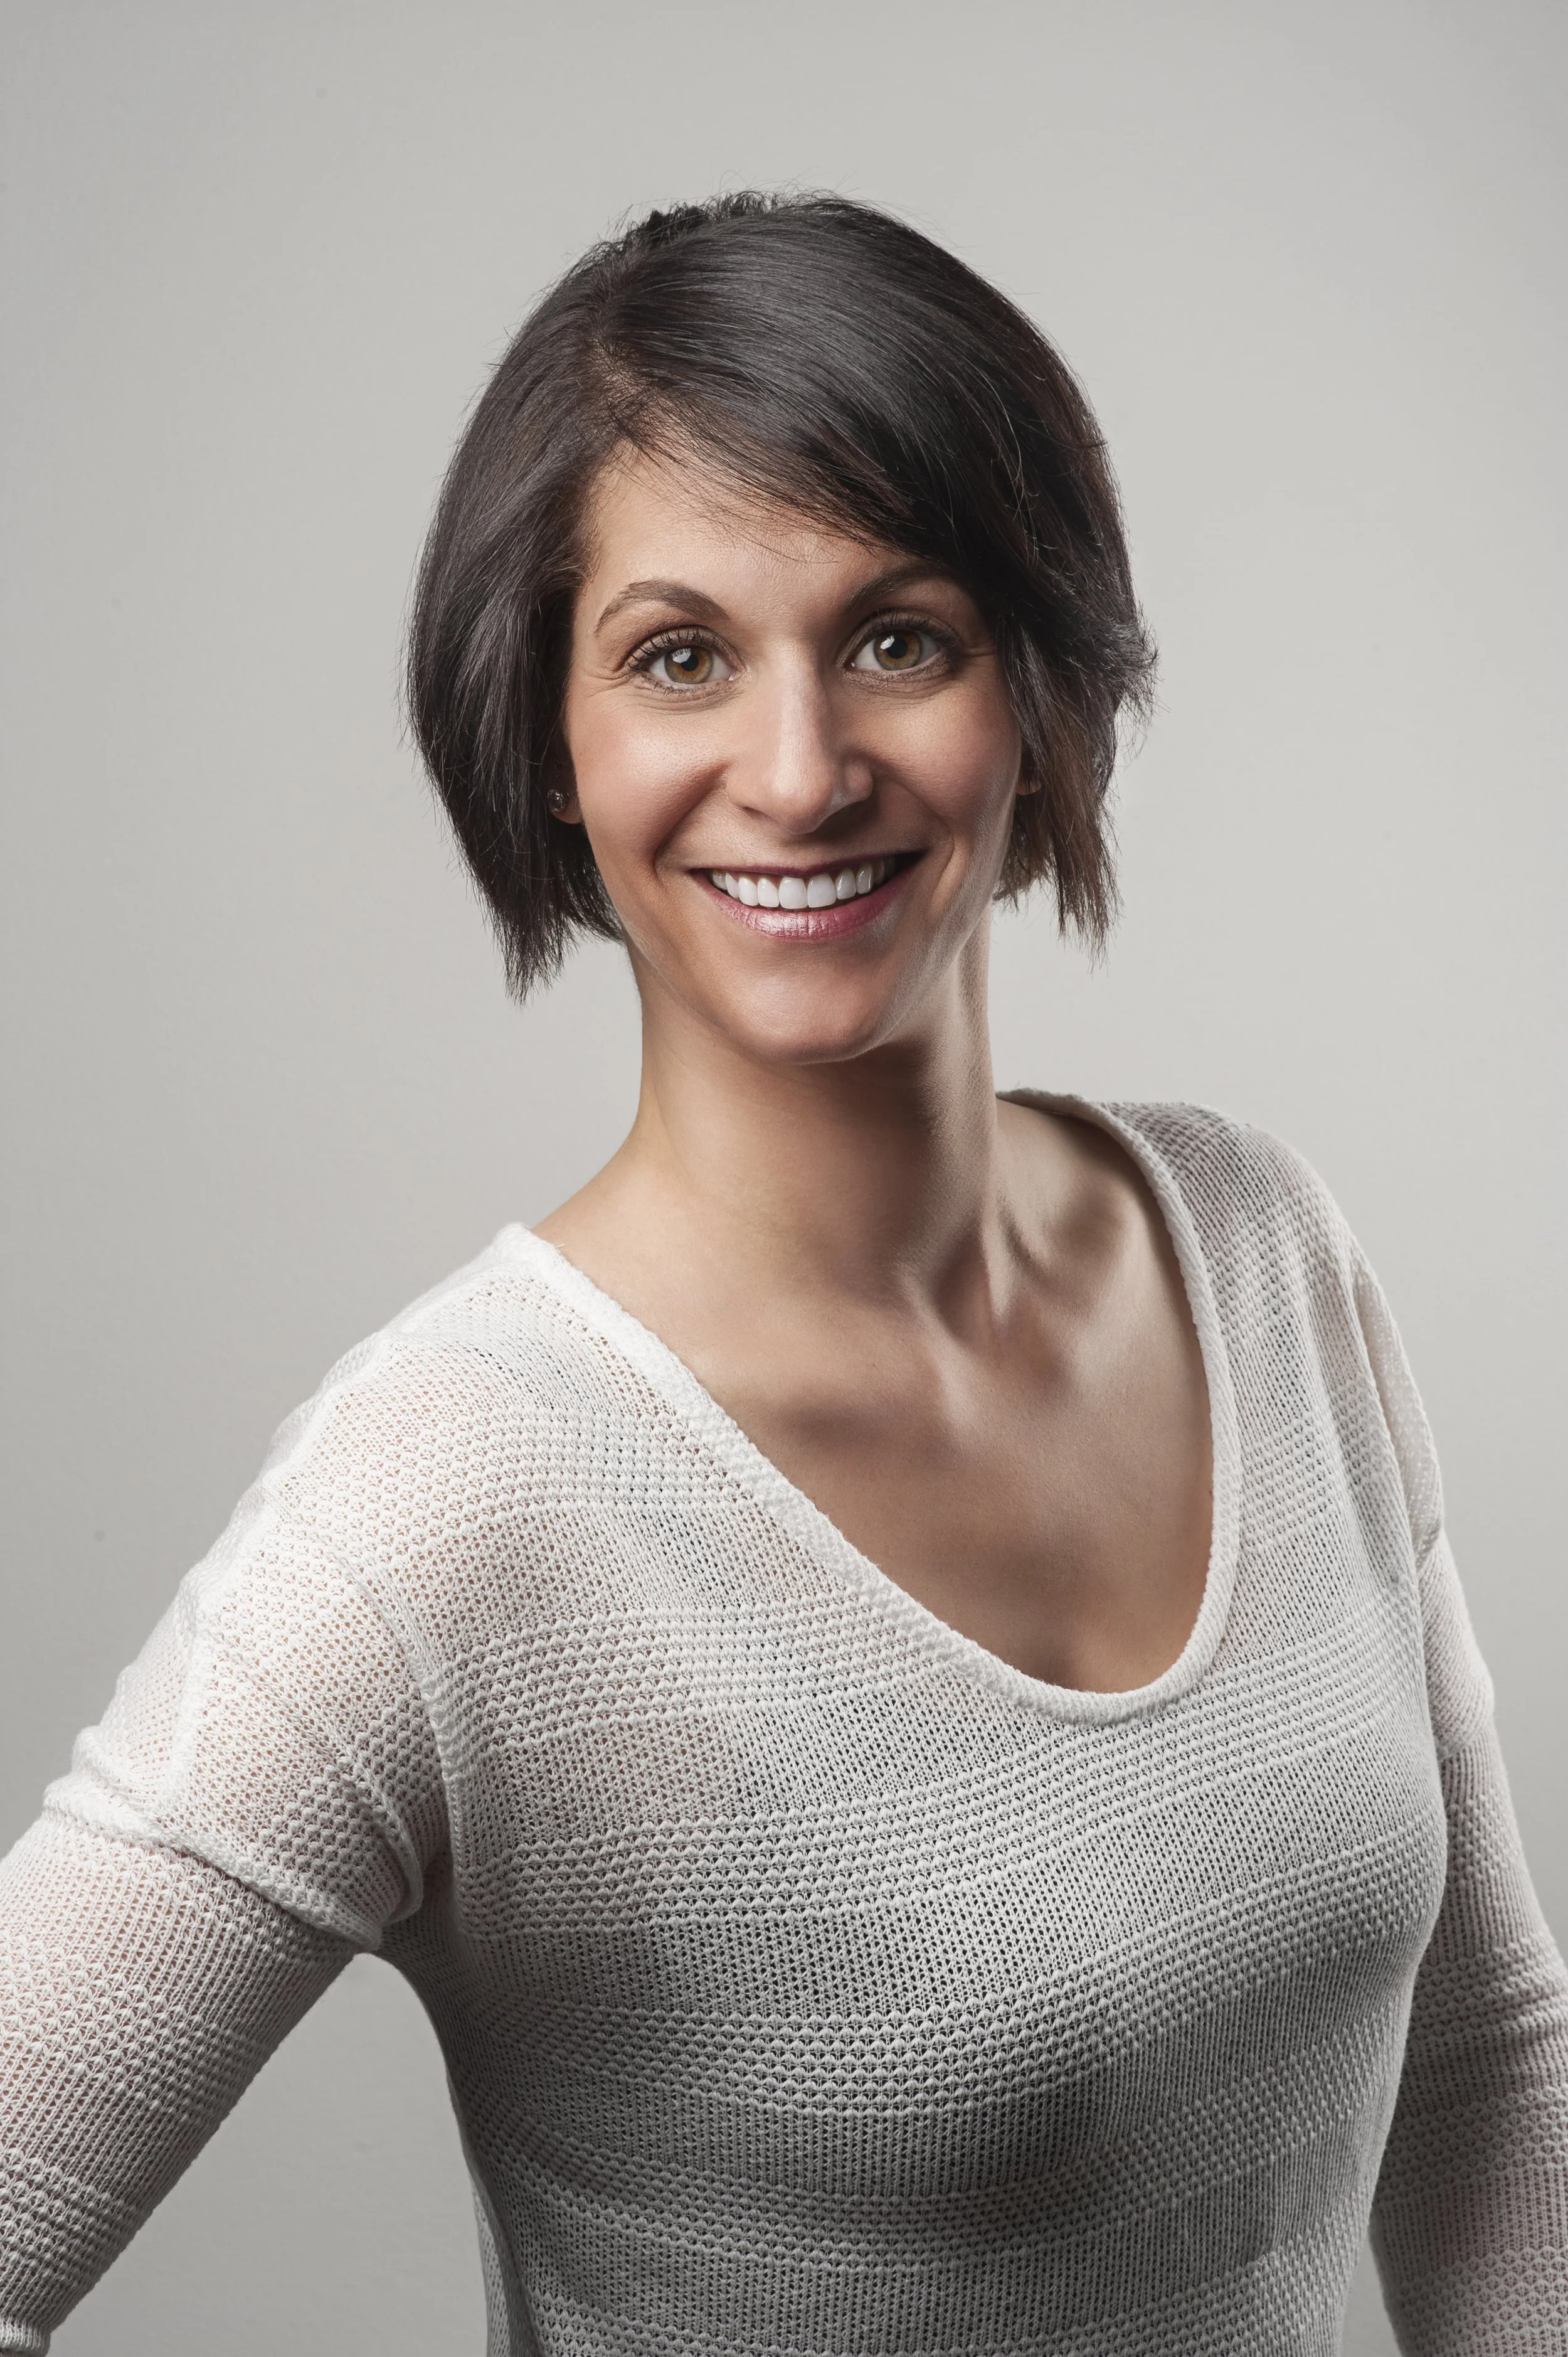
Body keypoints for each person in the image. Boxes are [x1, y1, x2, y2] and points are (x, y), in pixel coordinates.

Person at [0, 192, 1563, 2356]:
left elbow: (1490, 2063)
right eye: (676, 655)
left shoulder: (1258, 1244)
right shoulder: (453, 1487)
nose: (803, 764)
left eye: (899, 633)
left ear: (1037, 686)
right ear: (547, 739)